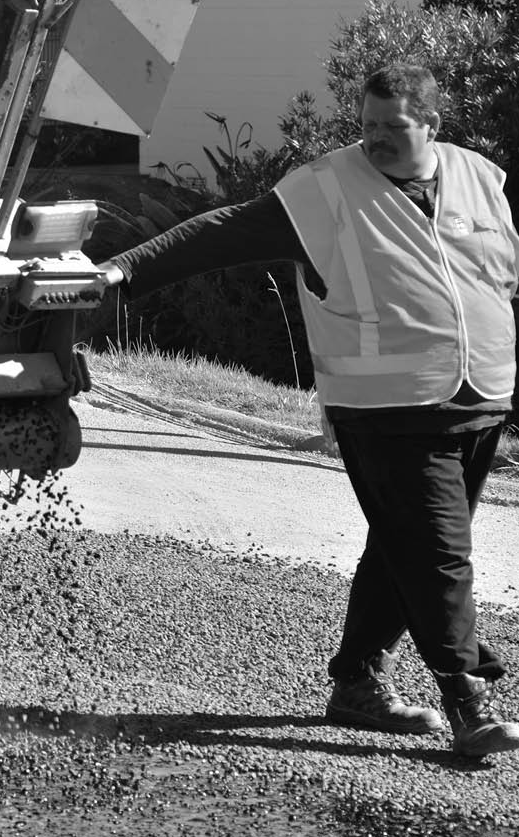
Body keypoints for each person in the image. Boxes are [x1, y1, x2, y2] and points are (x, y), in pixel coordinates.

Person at [98, 62, 519, 758]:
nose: (376, 140)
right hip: (385, 408)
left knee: (403, 547)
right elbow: (221, 231)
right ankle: (468, 699)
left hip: (476, 402)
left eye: (394, 128)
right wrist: (123, 271)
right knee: (441, 556)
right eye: (367, 126)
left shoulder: (483, 180)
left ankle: (357, 683)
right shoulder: (325, 190)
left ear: (433, 127)